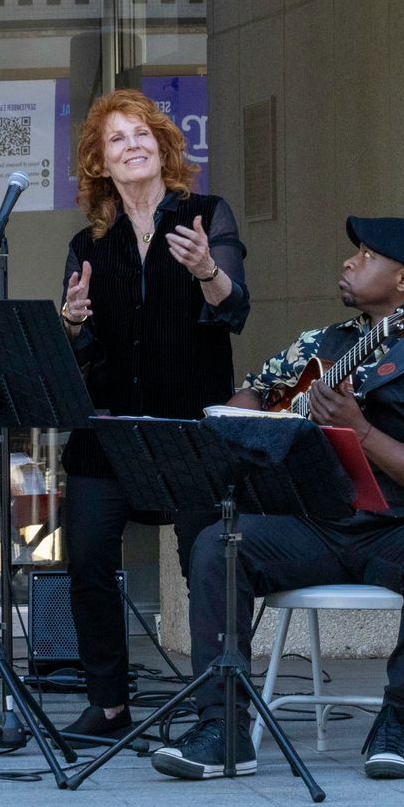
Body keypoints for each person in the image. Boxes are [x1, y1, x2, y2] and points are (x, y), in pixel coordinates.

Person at [149, 216, 404, 783]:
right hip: (314, 524)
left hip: (402, 529)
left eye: (368, 255)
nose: (350, 262)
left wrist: (362, 431)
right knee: (218, 543)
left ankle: (399, 721)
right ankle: (223, 729)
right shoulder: (319, 345)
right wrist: (256, 421)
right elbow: (252, 395)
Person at [56, 89, 249, 741]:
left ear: (163, 146)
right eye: (117, 139)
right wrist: (72, 322)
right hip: (108, 430)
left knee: (206, 565)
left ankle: (218, 712)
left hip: (189, 429)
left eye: (142, 133)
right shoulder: (87, 244)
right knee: (87, 561)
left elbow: (234, 310)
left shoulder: (206, 216)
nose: (132, 145)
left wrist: (207, 270)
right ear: (100, 161)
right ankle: (108, 706)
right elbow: (79, 354)